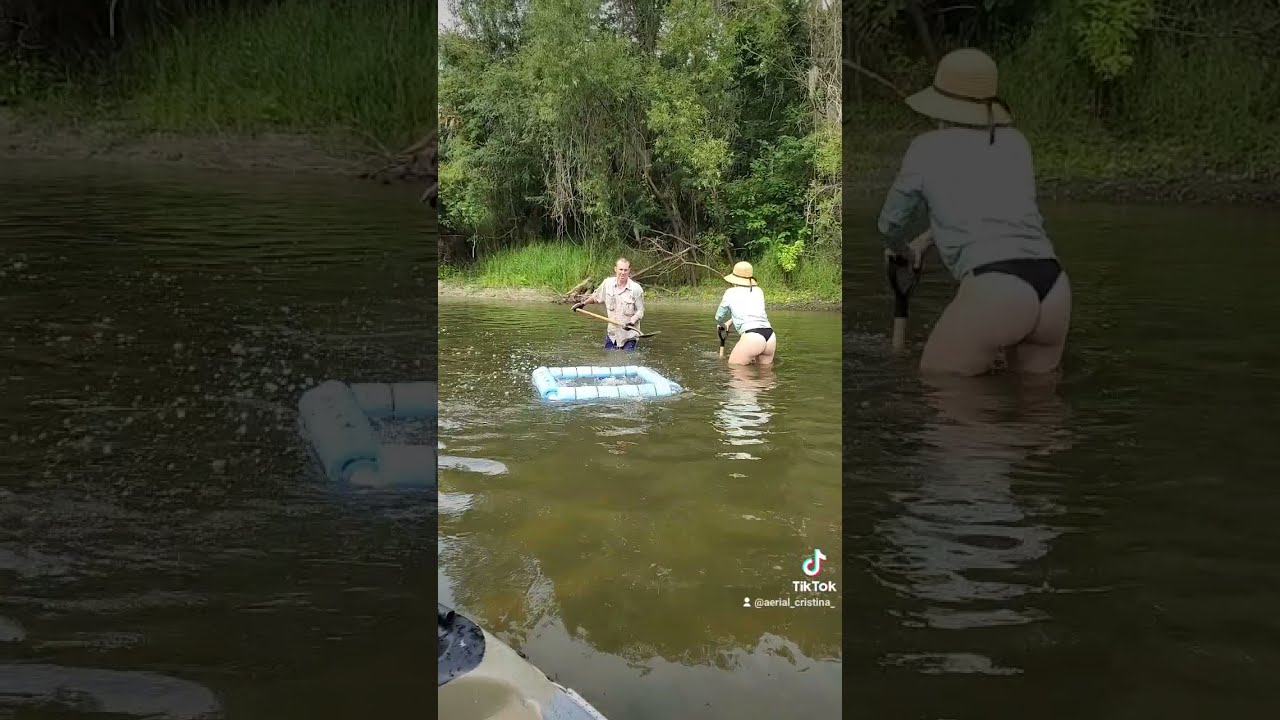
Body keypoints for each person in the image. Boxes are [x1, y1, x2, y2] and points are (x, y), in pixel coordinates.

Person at [877, 47, 1071, 377]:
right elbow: (994, 216)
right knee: (1041, 417)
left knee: (939, 388)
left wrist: (902, 250)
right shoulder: (1016, 143)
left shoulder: (926, 148)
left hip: (997, 291)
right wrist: (924, 243)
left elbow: (889, 225)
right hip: (1053, 289)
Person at [572, 256, 645, 350]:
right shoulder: (607, 284)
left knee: (627, 360)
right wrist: (583, 303)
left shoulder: (636, 289)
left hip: (629, 335)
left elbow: (640, 310)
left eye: (625, 270)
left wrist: (632, 322)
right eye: (621, 269)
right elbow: (596, 297)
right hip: (612, 333)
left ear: (629, 271)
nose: (623, 273)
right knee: (608, 358)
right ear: (615, 269)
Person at [714, 261, 776, 365]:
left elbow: (718, 317)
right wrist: (730, 322)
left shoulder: (730, 292)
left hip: (752, 337)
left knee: (734, 369)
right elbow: (752, 314)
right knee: (766, 378)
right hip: (770, 336)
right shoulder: (758, 291)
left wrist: (722, 325)